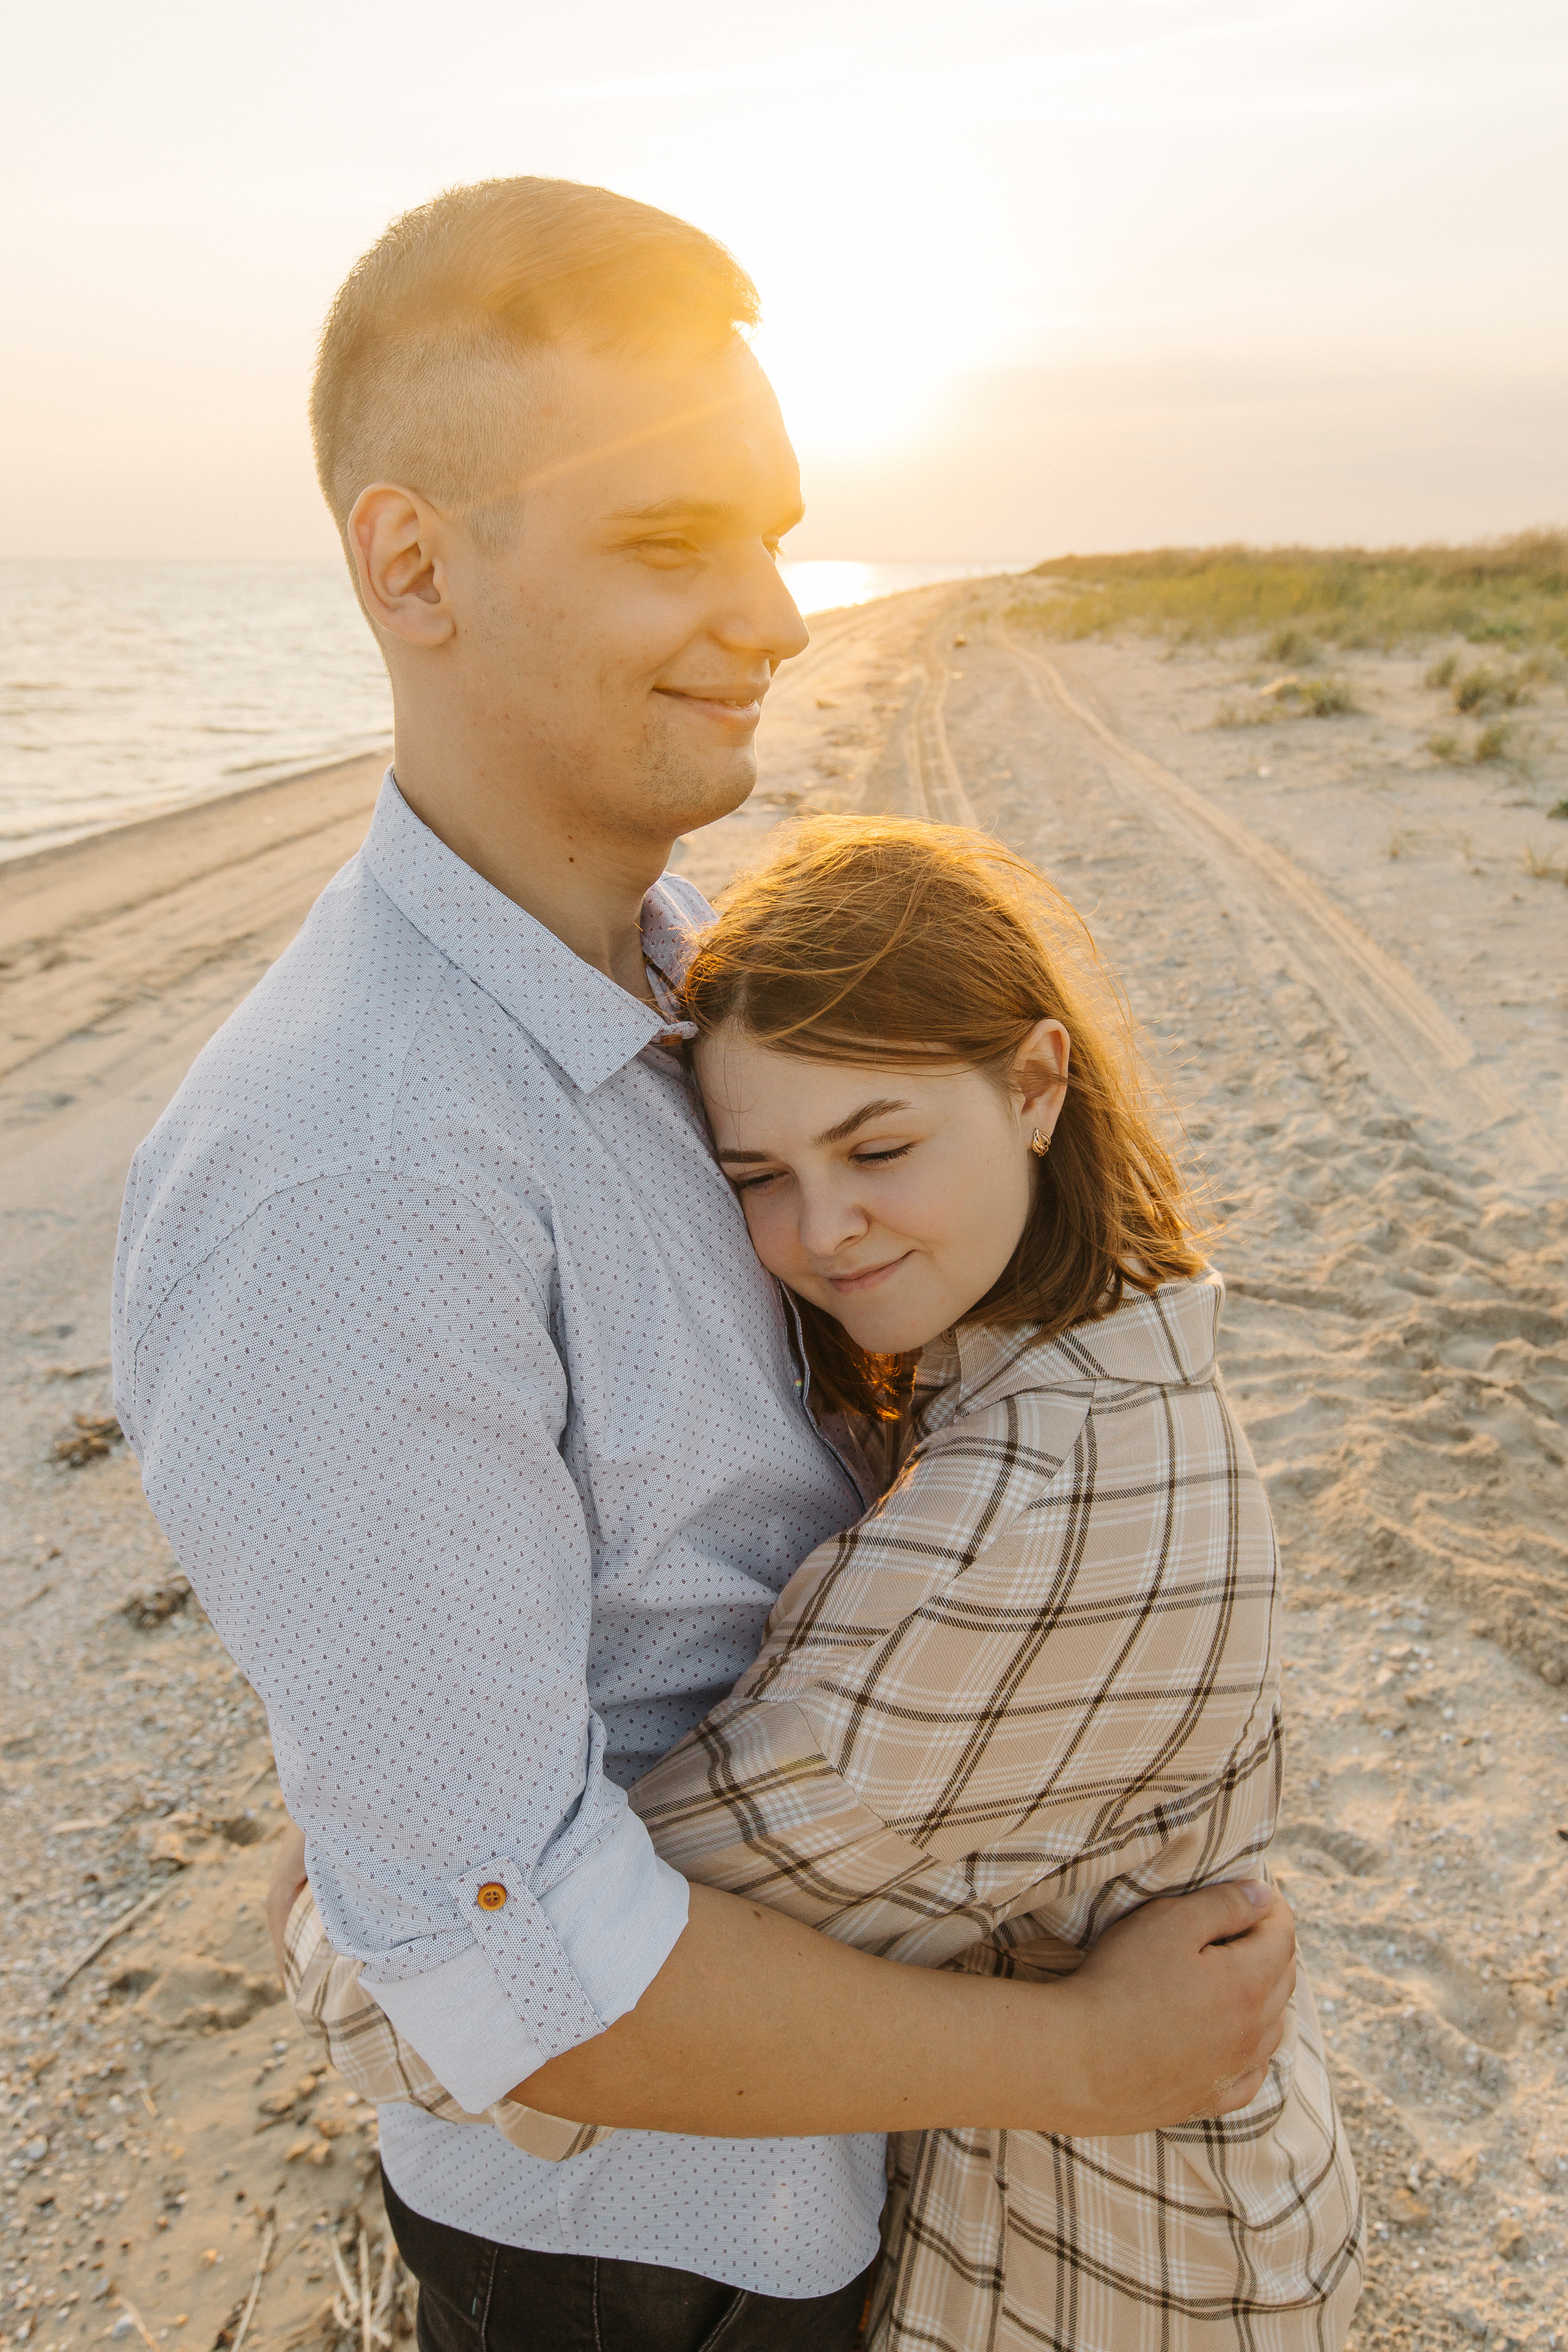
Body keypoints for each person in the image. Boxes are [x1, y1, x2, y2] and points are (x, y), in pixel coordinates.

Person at [112, 176, 1298, 2352]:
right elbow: (512, 1987)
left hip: (854, 2187)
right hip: (653, 2262)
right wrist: (1097, 2067)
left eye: (775, 531)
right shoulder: (354, 1174)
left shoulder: (685, 994)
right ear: (412, 564)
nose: (772, 615)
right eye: (671, 543)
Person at [278, 818, 1362, 2350]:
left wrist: (326, 1898)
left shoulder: (1010, 1538)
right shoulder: (1092, 1347)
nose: (823, 1227)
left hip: (1108, 2267)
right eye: (756, 1175)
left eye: (877, 1146)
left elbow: (531, 1979)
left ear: (1036, 1084)